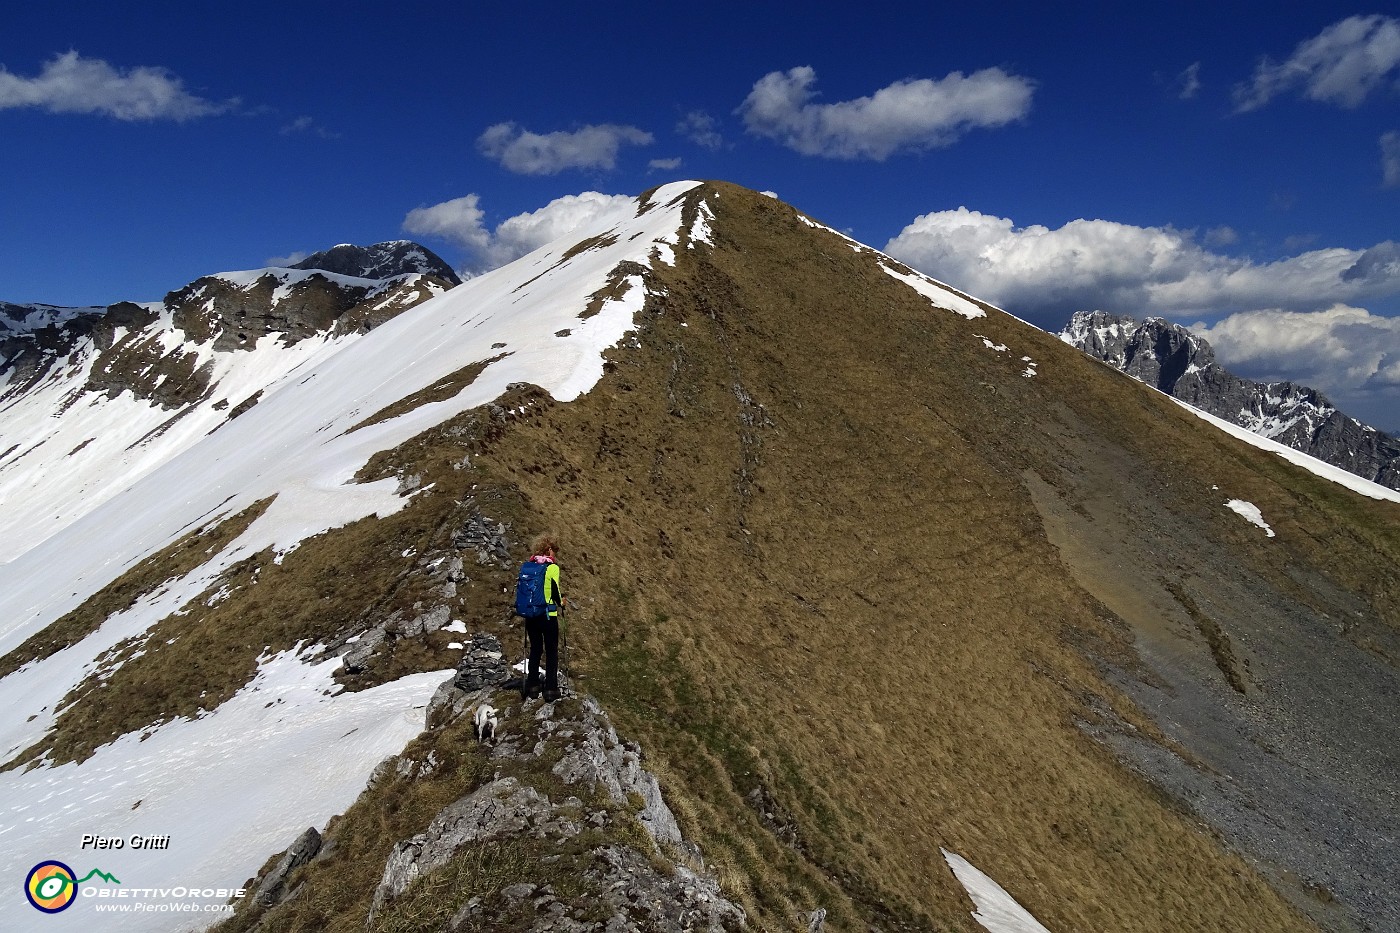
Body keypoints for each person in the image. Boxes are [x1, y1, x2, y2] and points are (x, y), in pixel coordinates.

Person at [520, 534, 565, 701]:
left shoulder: (528, 566)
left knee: (535, 648)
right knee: (552, 650)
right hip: (548, 614)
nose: (555, 554)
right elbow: (555, 592)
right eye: (554, 550)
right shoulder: (552, 568)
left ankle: (532, 685)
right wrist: (562, 602)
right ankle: (551, 689)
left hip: (531, 615)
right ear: (549, 549)